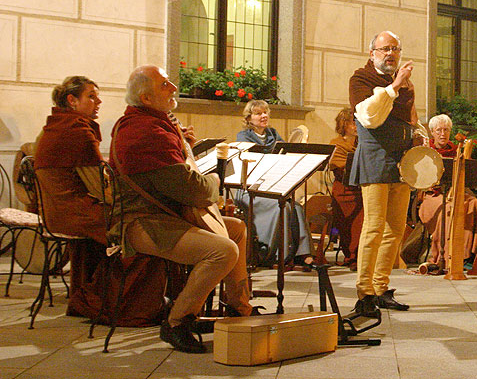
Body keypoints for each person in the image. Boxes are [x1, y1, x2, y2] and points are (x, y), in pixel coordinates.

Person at [111, 65, 254, 354]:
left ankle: (239, 311)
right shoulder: (145, 133)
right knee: (222, 250)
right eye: (165, 85)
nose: (174, 88)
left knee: (236, 229)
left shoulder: (154, 125)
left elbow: (174, 176)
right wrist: (215, 180)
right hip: (142, 223)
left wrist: (184, 147)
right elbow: (193, 189)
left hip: (166, 214)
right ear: (146, 98)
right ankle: (177, 321)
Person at [34, 76, 166, 326]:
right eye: (91, 96)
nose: (99, 101)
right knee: (146, 232)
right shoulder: (77, 131)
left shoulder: (55, 125)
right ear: (72, 101)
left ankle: (93, 297)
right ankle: (109, 304)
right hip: (76, 213)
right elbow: (100, 187)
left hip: (57, 212)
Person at [349, 30, 426, 316]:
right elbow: (370, 116)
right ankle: (364, 291)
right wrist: (394, 85)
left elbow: (411, 118)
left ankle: (381, 287)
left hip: (401, 160)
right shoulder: (361, 79)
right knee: (373, 228)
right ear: (372, 54)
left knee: (395, 229)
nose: (390, 54)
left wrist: (418, 135)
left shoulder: (407, 86)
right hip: (375, 158)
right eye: (384, 49)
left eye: (395, 49)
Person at [234, 99, 313, 269]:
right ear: (249, 118)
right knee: (281, 206)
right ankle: (277, 256)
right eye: (258, 113)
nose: (263, 116)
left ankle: (302, 254)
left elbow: (286, 150)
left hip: (270, 187)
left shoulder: (273, 134)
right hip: (250, 189)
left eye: (265, 112)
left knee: (296, 206)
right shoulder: (243, 136)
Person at [418, 114, 477, 271]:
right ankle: (444, 256)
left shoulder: (457, 149)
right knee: (448, 208)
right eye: (438, 130)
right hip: (432, 195)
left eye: (446, 130)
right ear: (432, 132)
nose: (442, 134)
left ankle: (469, 255)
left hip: (455, 192)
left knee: (473, 203)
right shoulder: (425, 150)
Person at [329, 107, 364, 270]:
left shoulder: (362, 143)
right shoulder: (336, 144)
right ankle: (351, 256)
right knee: (349, 224)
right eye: (353, 122)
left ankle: (361, 255)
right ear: (344, 124)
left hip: (361, 189)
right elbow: (338, 164)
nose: (357, 126)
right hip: (344, 191)